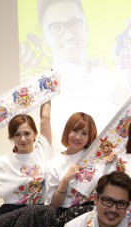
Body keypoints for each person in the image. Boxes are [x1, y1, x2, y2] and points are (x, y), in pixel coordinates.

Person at [37, 0, 117, 151]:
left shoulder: (108, 78)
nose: (68, 35)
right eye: (56, 27)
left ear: (86, 27)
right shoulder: (40, 88)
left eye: (74, 23)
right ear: (44, 35)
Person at [44, 111, 98, 227]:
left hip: (95, 211)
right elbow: (54, 206)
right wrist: (65, 180)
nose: (78, 137)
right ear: (67, 131)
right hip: (68, 214)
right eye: (75, 130)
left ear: (89, 137)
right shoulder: (53, 164)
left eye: (84, 133)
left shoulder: (95, 157)